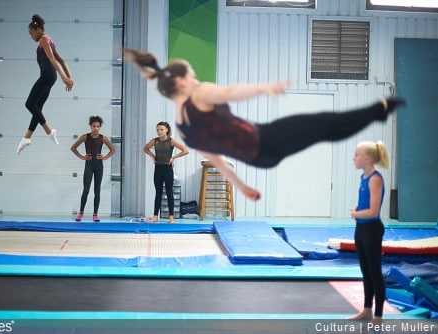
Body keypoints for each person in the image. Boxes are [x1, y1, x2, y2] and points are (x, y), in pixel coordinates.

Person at [123, 48, 406, 200]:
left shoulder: (183, 129)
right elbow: (231, 92)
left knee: (325, 131)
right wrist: (266, 88)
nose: (197, 79)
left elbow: (218, 162)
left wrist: (243, 187)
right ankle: (379, 110)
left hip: (261, 159)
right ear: (183, 82)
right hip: (267, 137)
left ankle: (377, 112)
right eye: (194, 75)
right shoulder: (198, 93)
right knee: (326, 123)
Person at [17, 14, 75, 154]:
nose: (31, 36)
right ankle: (27, 137)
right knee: (37, 107)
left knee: (29, 104)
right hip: (51, 77)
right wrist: (69, 77)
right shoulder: (49, 39)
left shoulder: (43, 40)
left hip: (47, 76)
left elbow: (53, 60)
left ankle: (49, 131)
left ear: (37, 30)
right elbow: (61, 60)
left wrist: (64, 78)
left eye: (31, 33)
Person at [348, 141, 389, 322]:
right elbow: (366, 204)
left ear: (366, 159)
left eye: (356, 155)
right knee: (365, 271)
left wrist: (356, 213)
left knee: (375, 272)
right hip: (361, 228)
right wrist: (358, 209)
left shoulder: (375, 179)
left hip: (372, 230)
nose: (353, 158)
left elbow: (373, 211)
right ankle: (367, 310)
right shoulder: (363, 177)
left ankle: (378, 315)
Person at [71, 116, 116, 222]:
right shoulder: (85, 137)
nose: (96, 128)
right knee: (86, 189)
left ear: (100, 127)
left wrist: (104, 157)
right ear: (90, 126)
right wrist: (82, 157)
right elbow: (73, 148)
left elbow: (112, 150)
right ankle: (81, 213)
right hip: (89, 165)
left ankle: (95, 214)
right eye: (94, 126)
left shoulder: (103, 138)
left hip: (99, 166)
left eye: (98, 126)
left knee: (97, 190)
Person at [143, 122, 189, 223]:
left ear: (167, 130)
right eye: (158, 130)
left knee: (169, 192)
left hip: (167, 169)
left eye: (161, 129)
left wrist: (173, 157)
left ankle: (171, 216)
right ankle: (155, 216)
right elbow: (145, 148)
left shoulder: (171, 141)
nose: (159, 132)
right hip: (158, 169)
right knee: (158, 193)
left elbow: (185, 150)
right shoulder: (154, 141)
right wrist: (152, 156)